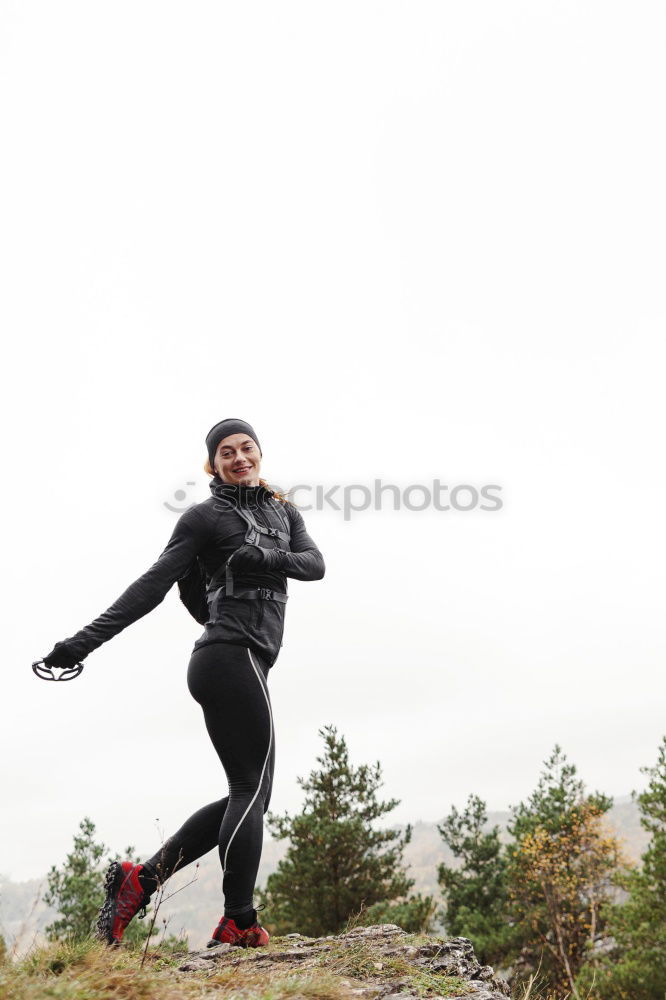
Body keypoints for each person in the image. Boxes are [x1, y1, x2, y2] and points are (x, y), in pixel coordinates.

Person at [41, 418, 325, 949]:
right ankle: (238, 918)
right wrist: (79, 644)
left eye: (247, 448)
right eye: (226, 452)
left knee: (250, 793)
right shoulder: (204, 517)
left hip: (248, 662)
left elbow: (315, 564)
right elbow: (150, 586)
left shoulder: (283, 510)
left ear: (259, 454)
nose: (239, 457)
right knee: (250, 790)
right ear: (211, 464)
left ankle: (140, 881)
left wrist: (260, 555)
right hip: (228, 656)